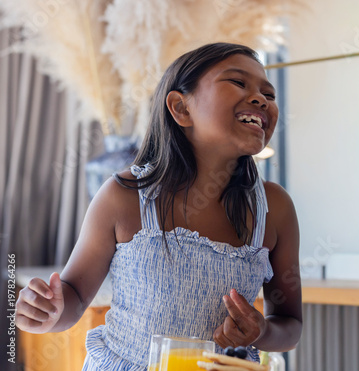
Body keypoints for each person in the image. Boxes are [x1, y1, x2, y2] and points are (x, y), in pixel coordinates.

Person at [15, 42, 302, 370]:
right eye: (238, 83)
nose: (260, 98)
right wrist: (47, 311)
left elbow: (290, 326)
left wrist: (262, 331)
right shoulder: (123, 197)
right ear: (181, 108)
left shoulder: (274, 210)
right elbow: (75, 296)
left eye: (269, 94)